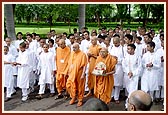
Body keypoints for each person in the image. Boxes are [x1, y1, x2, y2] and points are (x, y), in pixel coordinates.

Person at [66, 43, 87, 107]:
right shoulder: (72, 53)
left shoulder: (82, 54)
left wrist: (83, 74)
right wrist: (68, 71)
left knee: (80, 86)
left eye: (75, 47)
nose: (74, 49)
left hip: (79, 72)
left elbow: (85, 65)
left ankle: (80, 99)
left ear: (78, 47)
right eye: (73, 48)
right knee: (70, 85)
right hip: (72, 72)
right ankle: (73, 96)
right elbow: (69, 63)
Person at [122, 44, 142, 110]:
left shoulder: (138, 57)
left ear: (133, 49)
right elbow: (124, 65)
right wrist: (128, 72)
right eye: (127, 49)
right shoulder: (125, 56)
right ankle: (130, 104)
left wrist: (133, 73)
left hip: (134, 76)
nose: (128, 50)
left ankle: (128, 105)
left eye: (129, 49)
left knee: (132, 91)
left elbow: (139, 67)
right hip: (127, 75)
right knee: (128, 90)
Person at [110, 36, 124, 104]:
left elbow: (124, 59)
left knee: (117, 84)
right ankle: (111, 96)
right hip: (112, 67)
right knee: (111, 83)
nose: (115, 44)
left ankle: (116, 97)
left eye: (116, 43)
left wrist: (117, 60)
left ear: (119, 42)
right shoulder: (111, 47)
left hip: (119, 67)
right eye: (114, 43)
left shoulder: (122, 49)